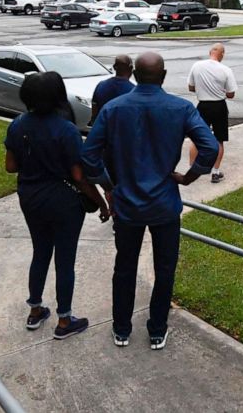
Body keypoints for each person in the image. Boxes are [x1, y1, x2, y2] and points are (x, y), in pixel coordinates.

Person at [82, 52, 218, 350]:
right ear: (164, 76)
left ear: (135, 75)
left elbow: (89, 155)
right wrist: (188, 177)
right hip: (165, 204)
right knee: (165, 268)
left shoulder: (114, 109)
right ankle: (157, 329)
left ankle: (121, 328)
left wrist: (109, 185)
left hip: (127, 205)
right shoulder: (180, 108)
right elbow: (210, 146)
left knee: (124, 267)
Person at [4, 72, 110, 340]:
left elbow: (10, 166)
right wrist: (102, 203)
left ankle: (35, 309)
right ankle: (64, 320)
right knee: (65, 259)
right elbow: (78, 176)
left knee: (40, 252)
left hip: (30, 198)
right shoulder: (67, 131)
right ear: (57, 96)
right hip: (63, 202)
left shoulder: (17, 125)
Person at [187, 44, 237, 183]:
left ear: (210, 52)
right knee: (219, 139)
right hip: (219, 106)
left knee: (196, 137)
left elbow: (191, 87)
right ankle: (215, 172)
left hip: (202, 105)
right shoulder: (226, 70)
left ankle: (192, 168)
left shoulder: (196, 66)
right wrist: (221, 91)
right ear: (222, 54)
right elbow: (231, 94)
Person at [91, 54, 135, 123]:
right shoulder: (133, 90)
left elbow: (94, 114)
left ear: (114, 67)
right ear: (131, 68)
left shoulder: (100, 86)